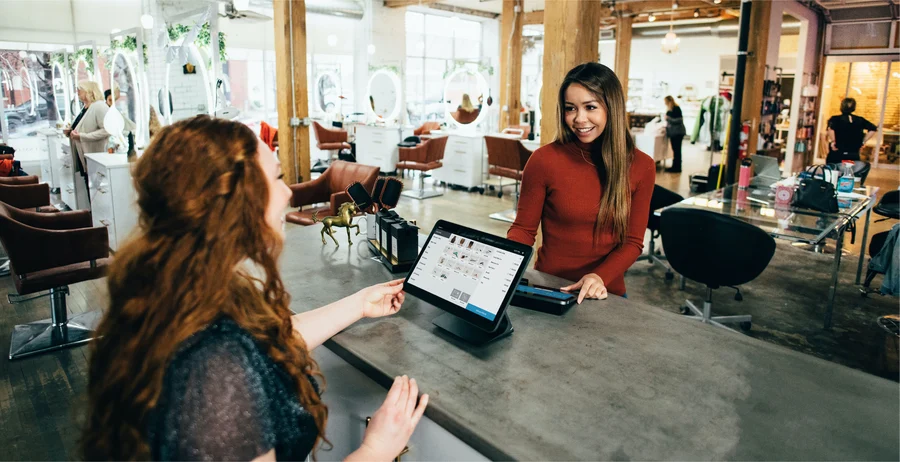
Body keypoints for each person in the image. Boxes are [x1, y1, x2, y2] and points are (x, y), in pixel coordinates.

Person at [81, 116, 428, 461]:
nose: (288, 192)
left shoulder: (179, 286)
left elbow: (266, 341)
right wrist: (378, 448)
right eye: (277, 178)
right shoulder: (215, 372)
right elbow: (235, 352)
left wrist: (359, 304)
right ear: (235, 202)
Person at [508, 62, 655, 303]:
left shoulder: (641, 166)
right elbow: (523, 230)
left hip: (605, 293)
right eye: (570, 108)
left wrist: (599, 277)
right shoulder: (544, 160)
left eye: (590, 107)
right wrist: (503, 263)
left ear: (612, 107)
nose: (579, 118)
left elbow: (632, 242)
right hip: (549, 288)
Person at [68, 81, 109, 190]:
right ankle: (92, 207)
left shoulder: (99, 107)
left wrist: (82, 136)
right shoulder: (86, 107)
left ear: (89, 91)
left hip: (94, 154)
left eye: (79, 89)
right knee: (89, 185)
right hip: (83, 153)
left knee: (95, 188)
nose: (77, 92)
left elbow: (106, 130)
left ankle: (96, 207)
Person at [826, 97, 878, 164]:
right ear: (854, 108)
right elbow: (873, 129)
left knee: (833, 170)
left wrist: (833, 141)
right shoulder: (860, 120)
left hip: (838, 152)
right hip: (854, 153)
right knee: (852, 171)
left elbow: (830, 129)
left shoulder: (835, 119)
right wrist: (863, 141)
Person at [663, 95, 686, 173]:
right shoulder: (671, 109)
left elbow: (679, 120)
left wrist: (668, 119)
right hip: (674, 133)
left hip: (677, 133)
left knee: (677, 150)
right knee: (675, 150)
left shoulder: (676, 109)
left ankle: (677, 167)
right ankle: (675, 166)